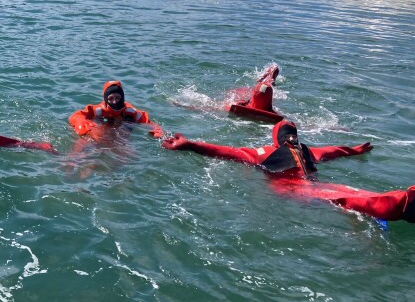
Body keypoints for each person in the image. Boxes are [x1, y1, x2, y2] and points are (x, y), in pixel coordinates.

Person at [162, 120, 415, 222]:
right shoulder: (263, 153)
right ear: (278, 139)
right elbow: (227, 151)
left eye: (293, 134)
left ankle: (398, 202)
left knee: (347, 190)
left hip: (312, 186)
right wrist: (191, 145)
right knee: (338, 197)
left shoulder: (307, 151)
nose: (292, 137)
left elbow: (332, 150)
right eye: (287, 134)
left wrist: (355, 150)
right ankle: (394, 204)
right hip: (290, 191)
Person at [69, 80, 164, 139]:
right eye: (111, 98)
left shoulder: (130, 112)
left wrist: (158, 131)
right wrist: (80, 121)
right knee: (84, 142)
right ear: (106, 99)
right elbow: (76, 115)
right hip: (100, 134)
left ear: (122, 98)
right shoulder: (98, 110)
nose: (114, 102)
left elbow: (149, 123)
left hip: (121, 137)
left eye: (118, 98)